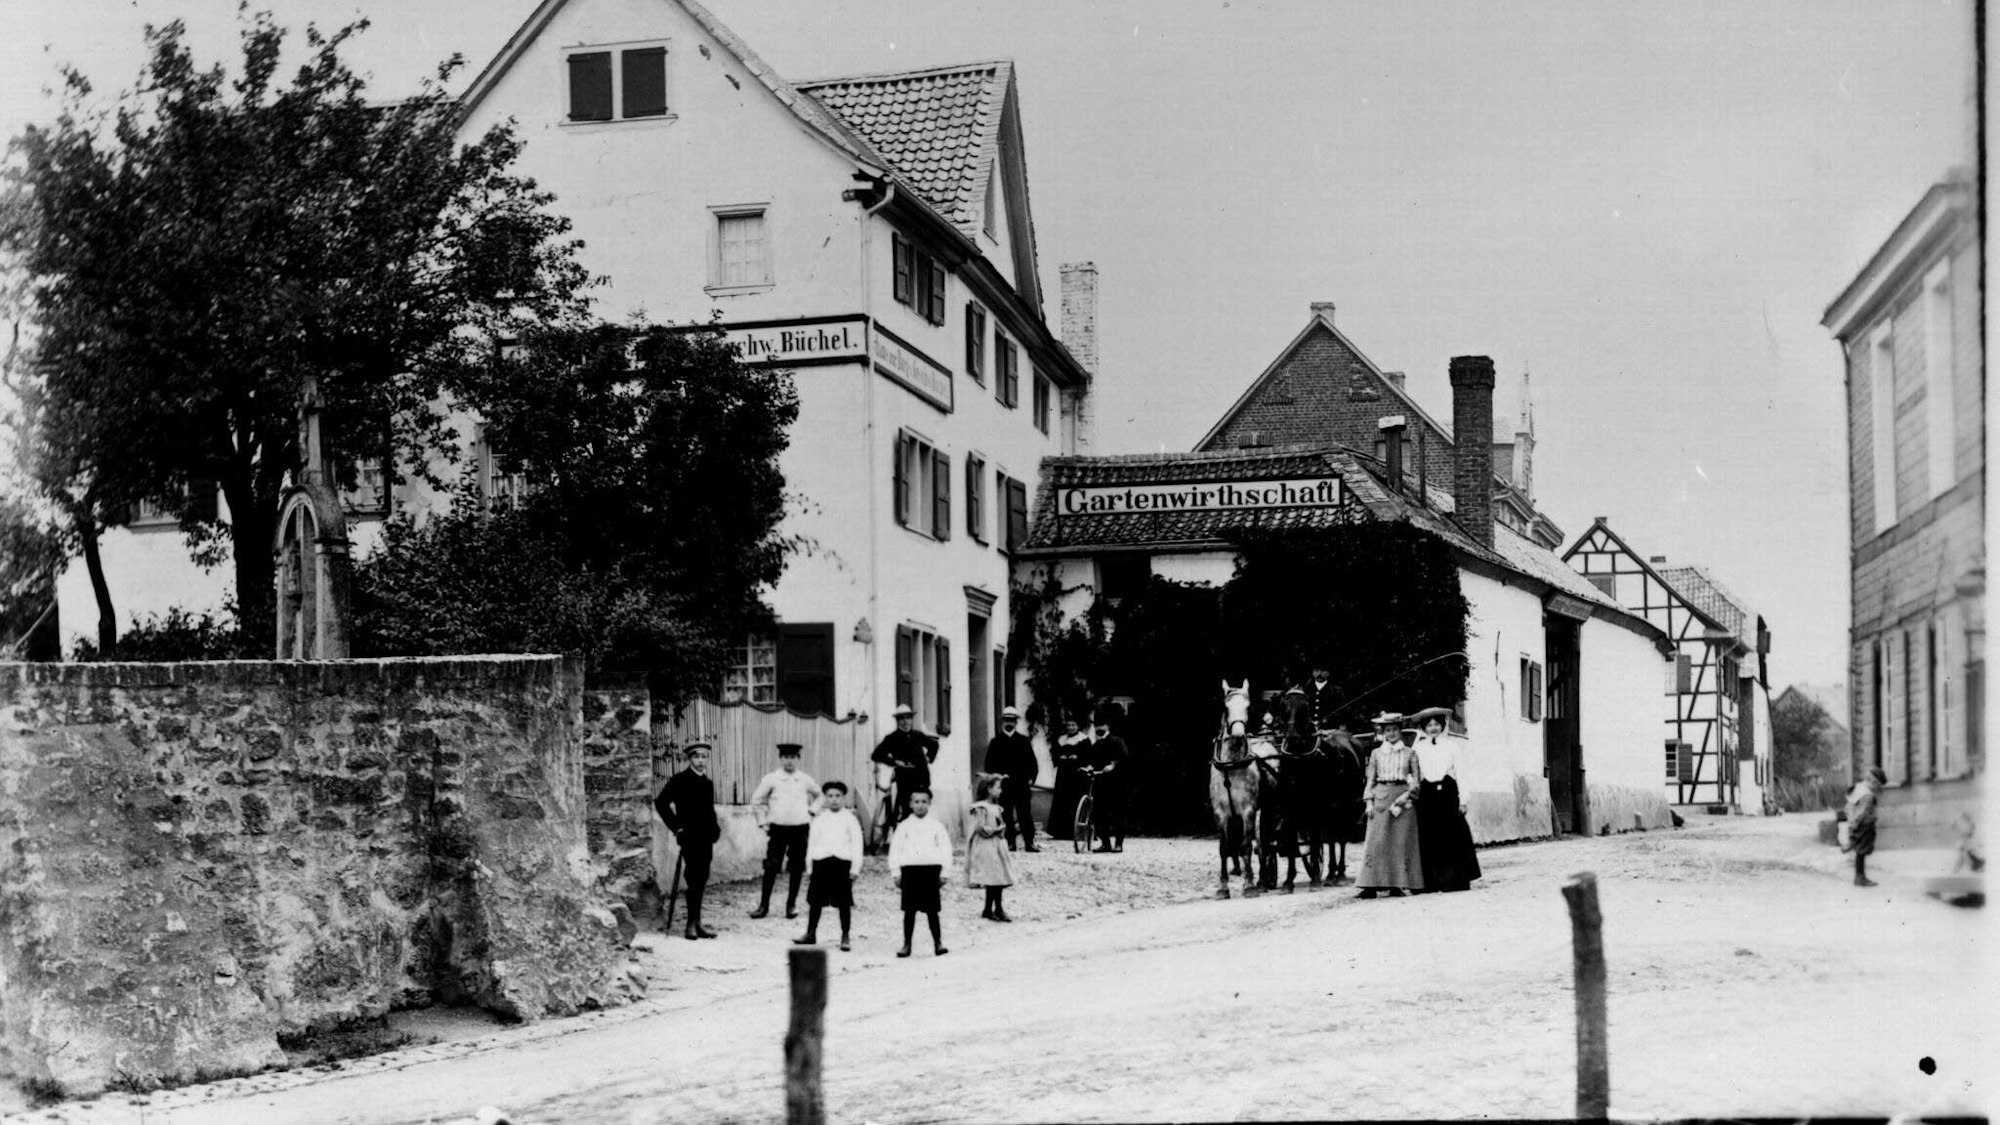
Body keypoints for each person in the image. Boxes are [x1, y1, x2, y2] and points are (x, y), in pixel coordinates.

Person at [654, 742, 721, 940]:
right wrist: (677, 827)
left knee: (702, 878)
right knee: (693, 877)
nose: (700, 760)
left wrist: (715, 828)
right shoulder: (680, 780)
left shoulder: (708, 783)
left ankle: (698, 922)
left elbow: (709, 810)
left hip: (706, 837)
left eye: (704, 757)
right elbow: (661, 803)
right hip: (689, 836)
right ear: (689, 759)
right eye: (696, 756)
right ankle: (690, 924)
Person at [1411, 709, 1481, 893]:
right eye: (1429, 725)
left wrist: (1463, 800)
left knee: (1451, 836)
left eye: (1436, 724)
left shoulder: (1452, 746)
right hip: (1427, 795)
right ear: (1424, 727)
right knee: (1429, 837)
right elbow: (1412, 772)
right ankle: (1431, 882)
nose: (1433, 728)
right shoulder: (1418, 747)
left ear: (1442, 726)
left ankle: (1454, 880)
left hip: (1448, 794)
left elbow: (1461, 774)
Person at [749, 742, 821, 919]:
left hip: (800, 829)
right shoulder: (772, 779)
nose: (789, 761)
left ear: (798, 759)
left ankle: (791, 905)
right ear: (781, 759)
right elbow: (756, 800)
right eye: (786, 757)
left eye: (793, 757)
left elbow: (820, 795)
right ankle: (763, 905)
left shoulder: (805, 779)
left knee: (796, 867)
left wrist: (812, 811)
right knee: (771, 866)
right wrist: (762, 822)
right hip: (778, 829)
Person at [1356, 713, 1424, 898]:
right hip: (1381, 798)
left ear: (1400, 731)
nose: (1392, 733)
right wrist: (1369, 801)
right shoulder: (1376, 753)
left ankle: (1398, 884)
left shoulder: (1410, 753)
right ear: (1383, 733)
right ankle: (1370, 885)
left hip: (1402, 800)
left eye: (1395, 730)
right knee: (1377, 841)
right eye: (1388, 730)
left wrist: (1406, 796)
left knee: (1399, 842)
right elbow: (1370, 779)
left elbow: (1417, 781)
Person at [794, 780, 863, 950]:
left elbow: (857, 845)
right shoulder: (820, 819)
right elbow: (812, 844)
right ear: (825, 798)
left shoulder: (850, 819)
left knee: (844, 902)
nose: (834, 800)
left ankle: (845, 936)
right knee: (815, 900)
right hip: (821, 863)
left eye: (838, 796)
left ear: (843, 798)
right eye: (830, 796)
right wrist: (810, 867)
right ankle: (811, 933)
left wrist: (855, 868)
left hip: (842, 864)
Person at [889, 786, 952, 957]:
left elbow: (945, 849)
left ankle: (938, 943)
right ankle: (906, 944)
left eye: (924, 802)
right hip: (910, 871)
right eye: (916, 802)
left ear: (930, 803)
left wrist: (945, 872)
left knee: (932, 911)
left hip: (930, 871)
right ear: (910, 804)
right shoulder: (904, 826)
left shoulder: (936, 826)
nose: (920, 805)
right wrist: (896, 872)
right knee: (909, 911)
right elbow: (895, 850)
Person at [872, 703, 940, 827]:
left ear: (911, 720)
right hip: (904, 778)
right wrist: (893, 762)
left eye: (908, 718)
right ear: (897, 721)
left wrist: (929, 758)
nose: (905, 722)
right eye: (901, 719)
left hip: (921, 776)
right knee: (907, 811)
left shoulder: (917, 735)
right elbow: (876, 755)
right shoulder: (892, 738)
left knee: (922, 808)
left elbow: (934, 745)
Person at [983, 706, 1040, 851]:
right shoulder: (996, 742)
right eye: (1007, 720)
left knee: (1024, 814)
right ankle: (1010, 842)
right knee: (1005, 814)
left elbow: (1032, 763)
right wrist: (997, 777)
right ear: (1003, 722)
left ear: (1016, 723)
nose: (1009, 723)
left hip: (1021, 784)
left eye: (1012, 720)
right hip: (1004, 785)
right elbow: (988, 764)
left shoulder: (1023, 741)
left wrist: (1031, 777)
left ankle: (1029, 842)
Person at [965, 773, 1017, 921]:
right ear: (989, 789)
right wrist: (996, 830)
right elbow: (981, 828)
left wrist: (1003, 828)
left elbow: (1000, 824)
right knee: (992, 878)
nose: (1000, 791)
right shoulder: (981, 808)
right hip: (987, 847)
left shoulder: (996, 808)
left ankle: (992, 908)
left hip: (997, 846)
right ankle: (994, 909)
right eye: (998, 787)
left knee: (997, 877)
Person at [1088, 709, 1131, 853]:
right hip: (1100, 784)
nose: (1099, 728)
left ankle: (1119, 843)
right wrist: (1089, 766)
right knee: (1099, 815)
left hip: (1116, 784)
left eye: (1102, 726)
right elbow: (1092, 760)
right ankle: (1105, 843)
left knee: (1118, 814)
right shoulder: (1095, 745)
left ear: (1107, 727)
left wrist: (1113, 765)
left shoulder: (1117, 741)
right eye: (1097, 726)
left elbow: (1124, 758)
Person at [1843, 767, 1888, 887]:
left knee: (1860, 851)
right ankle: (1860, 877)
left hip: (1857, 824)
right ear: (1873, 782)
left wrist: (1851, 823)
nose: (1878, 789)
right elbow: (1862, 813)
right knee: (1862, 851)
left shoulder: (1858, 788)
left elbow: (1848, 806)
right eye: (1878, 786)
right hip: (1865, 825)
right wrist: (1854, 825)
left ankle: (1852, 842)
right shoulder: (1868, 795)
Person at [1047, 717, 1091, 840]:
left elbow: (1088, 757)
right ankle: (1061, 833)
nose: (1071, 727)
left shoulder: (1084, 740)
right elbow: (1054, 753)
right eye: (1069, 725)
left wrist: (1077, 758)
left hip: (1077, 776)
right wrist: (1059, 757)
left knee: (1075, 801)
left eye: (1073, 725)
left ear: (1078, 726)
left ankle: (1077, 832)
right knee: (1062, 801)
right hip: (1063, 775)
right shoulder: (1061, 739)